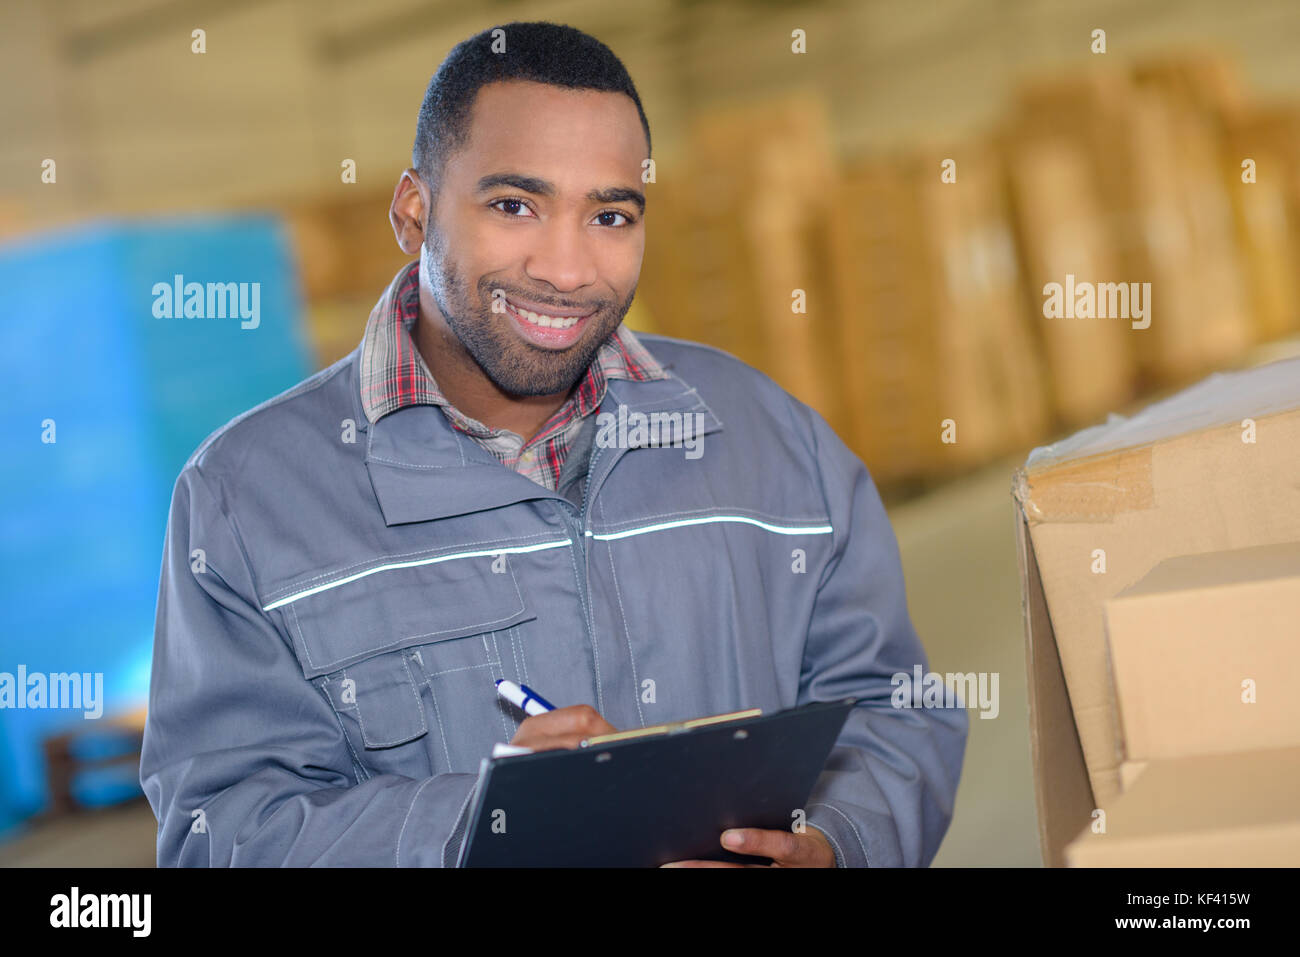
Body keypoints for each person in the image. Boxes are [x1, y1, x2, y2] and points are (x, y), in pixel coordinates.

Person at [140, 20, 967, 867]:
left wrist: (832, 841)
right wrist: (482, 824)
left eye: (610, 214)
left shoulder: (772, 439)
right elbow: (223, 830)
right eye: (514, 205)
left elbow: (894, 709)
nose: (569, 269)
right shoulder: (246, 501)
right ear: (413, 210)